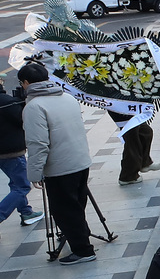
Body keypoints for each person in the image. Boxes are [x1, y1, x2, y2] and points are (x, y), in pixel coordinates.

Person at [20, 62, 94, 264]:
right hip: (80, 161)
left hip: (60, 168)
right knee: (76, 206)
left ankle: (83, 250)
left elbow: (38, 144)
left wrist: (34, 173)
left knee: (65, 211)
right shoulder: (67, 97)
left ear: (26, 83)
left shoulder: (34, 106)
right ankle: (80, 236)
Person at [0, 80, 42, 235]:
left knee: (16, 183)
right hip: (11, 152)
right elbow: (23, 120)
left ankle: (26, 211)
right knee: (23, 186)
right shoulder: (7, 102)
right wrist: (20, 104)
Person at [108, 110, 157, 185]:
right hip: (118, 106)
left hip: (128, 105)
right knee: (132, 137)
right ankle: (128, 176)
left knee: (145, 131)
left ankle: (144, 162)